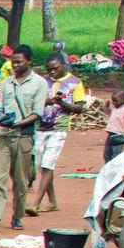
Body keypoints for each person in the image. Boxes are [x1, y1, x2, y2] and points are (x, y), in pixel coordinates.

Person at [0, 45, 49, 233]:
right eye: (13, 62)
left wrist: (17, 123)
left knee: (19, 181)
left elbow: (37, 113)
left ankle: (17, 216)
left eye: (19, 62)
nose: (15, 65)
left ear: (29, 61)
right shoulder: (6, 84)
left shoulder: (39, 84)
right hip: (4, 135)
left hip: (23, 137)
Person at [33, 56, 79, 214]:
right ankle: (52, 202)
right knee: (42, 166)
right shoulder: (42, 81)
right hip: (40, 127)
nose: (52, 72)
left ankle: (36, 204)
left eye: (56, 68)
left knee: (47, 165)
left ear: (64, 65)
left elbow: (79, 107)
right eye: (49, 69)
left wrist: (62, 103)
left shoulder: (74, 83)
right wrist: (45, 102)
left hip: (58, 129)